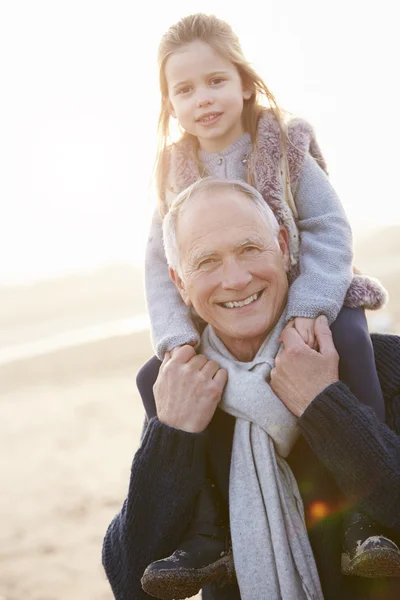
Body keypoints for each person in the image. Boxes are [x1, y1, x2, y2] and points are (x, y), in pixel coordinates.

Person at [139, 11, 394, 595]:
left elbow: (329, 228)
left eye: (216, 80)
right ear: (169, 105)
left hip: (310, 297)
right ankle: (207, 536)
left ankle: (367, 516)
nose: (203, 98)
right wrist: (176, 339)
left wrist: (310, 305)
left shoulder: (284, 142)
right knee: (158, 378)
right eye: (185, 89)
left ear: (245, 82)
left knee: (351, 348)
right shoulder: (171, 171)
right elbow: (161, 265)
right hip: (234, 316)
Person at [102, 179, 400, 600]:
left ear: (282, 245)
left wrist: (325, 406)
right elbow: (130, 581)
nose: (236, 279)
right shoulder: (181, 389)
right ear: (180, 282)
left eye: (249, 249)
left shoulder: (379, 363)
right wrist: (171, 436)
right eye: (207, 261)